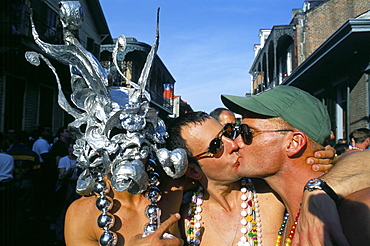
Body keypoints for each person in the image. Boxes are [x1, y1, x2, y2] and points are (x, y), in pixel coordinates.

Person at [221, 85, 370, 245]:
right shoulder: (281, 210)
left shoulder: (358, 212)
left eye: (247, 133)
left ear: (294, 143)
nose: (236, 143)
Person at [166, 111, 337, 245]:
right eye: (217, 146)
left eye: (228, 132)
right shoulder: (186, 220)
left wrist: (333, 165)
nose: (234, 145)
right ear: (194, 171)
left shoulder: (272, 190)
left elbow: (361, 162)